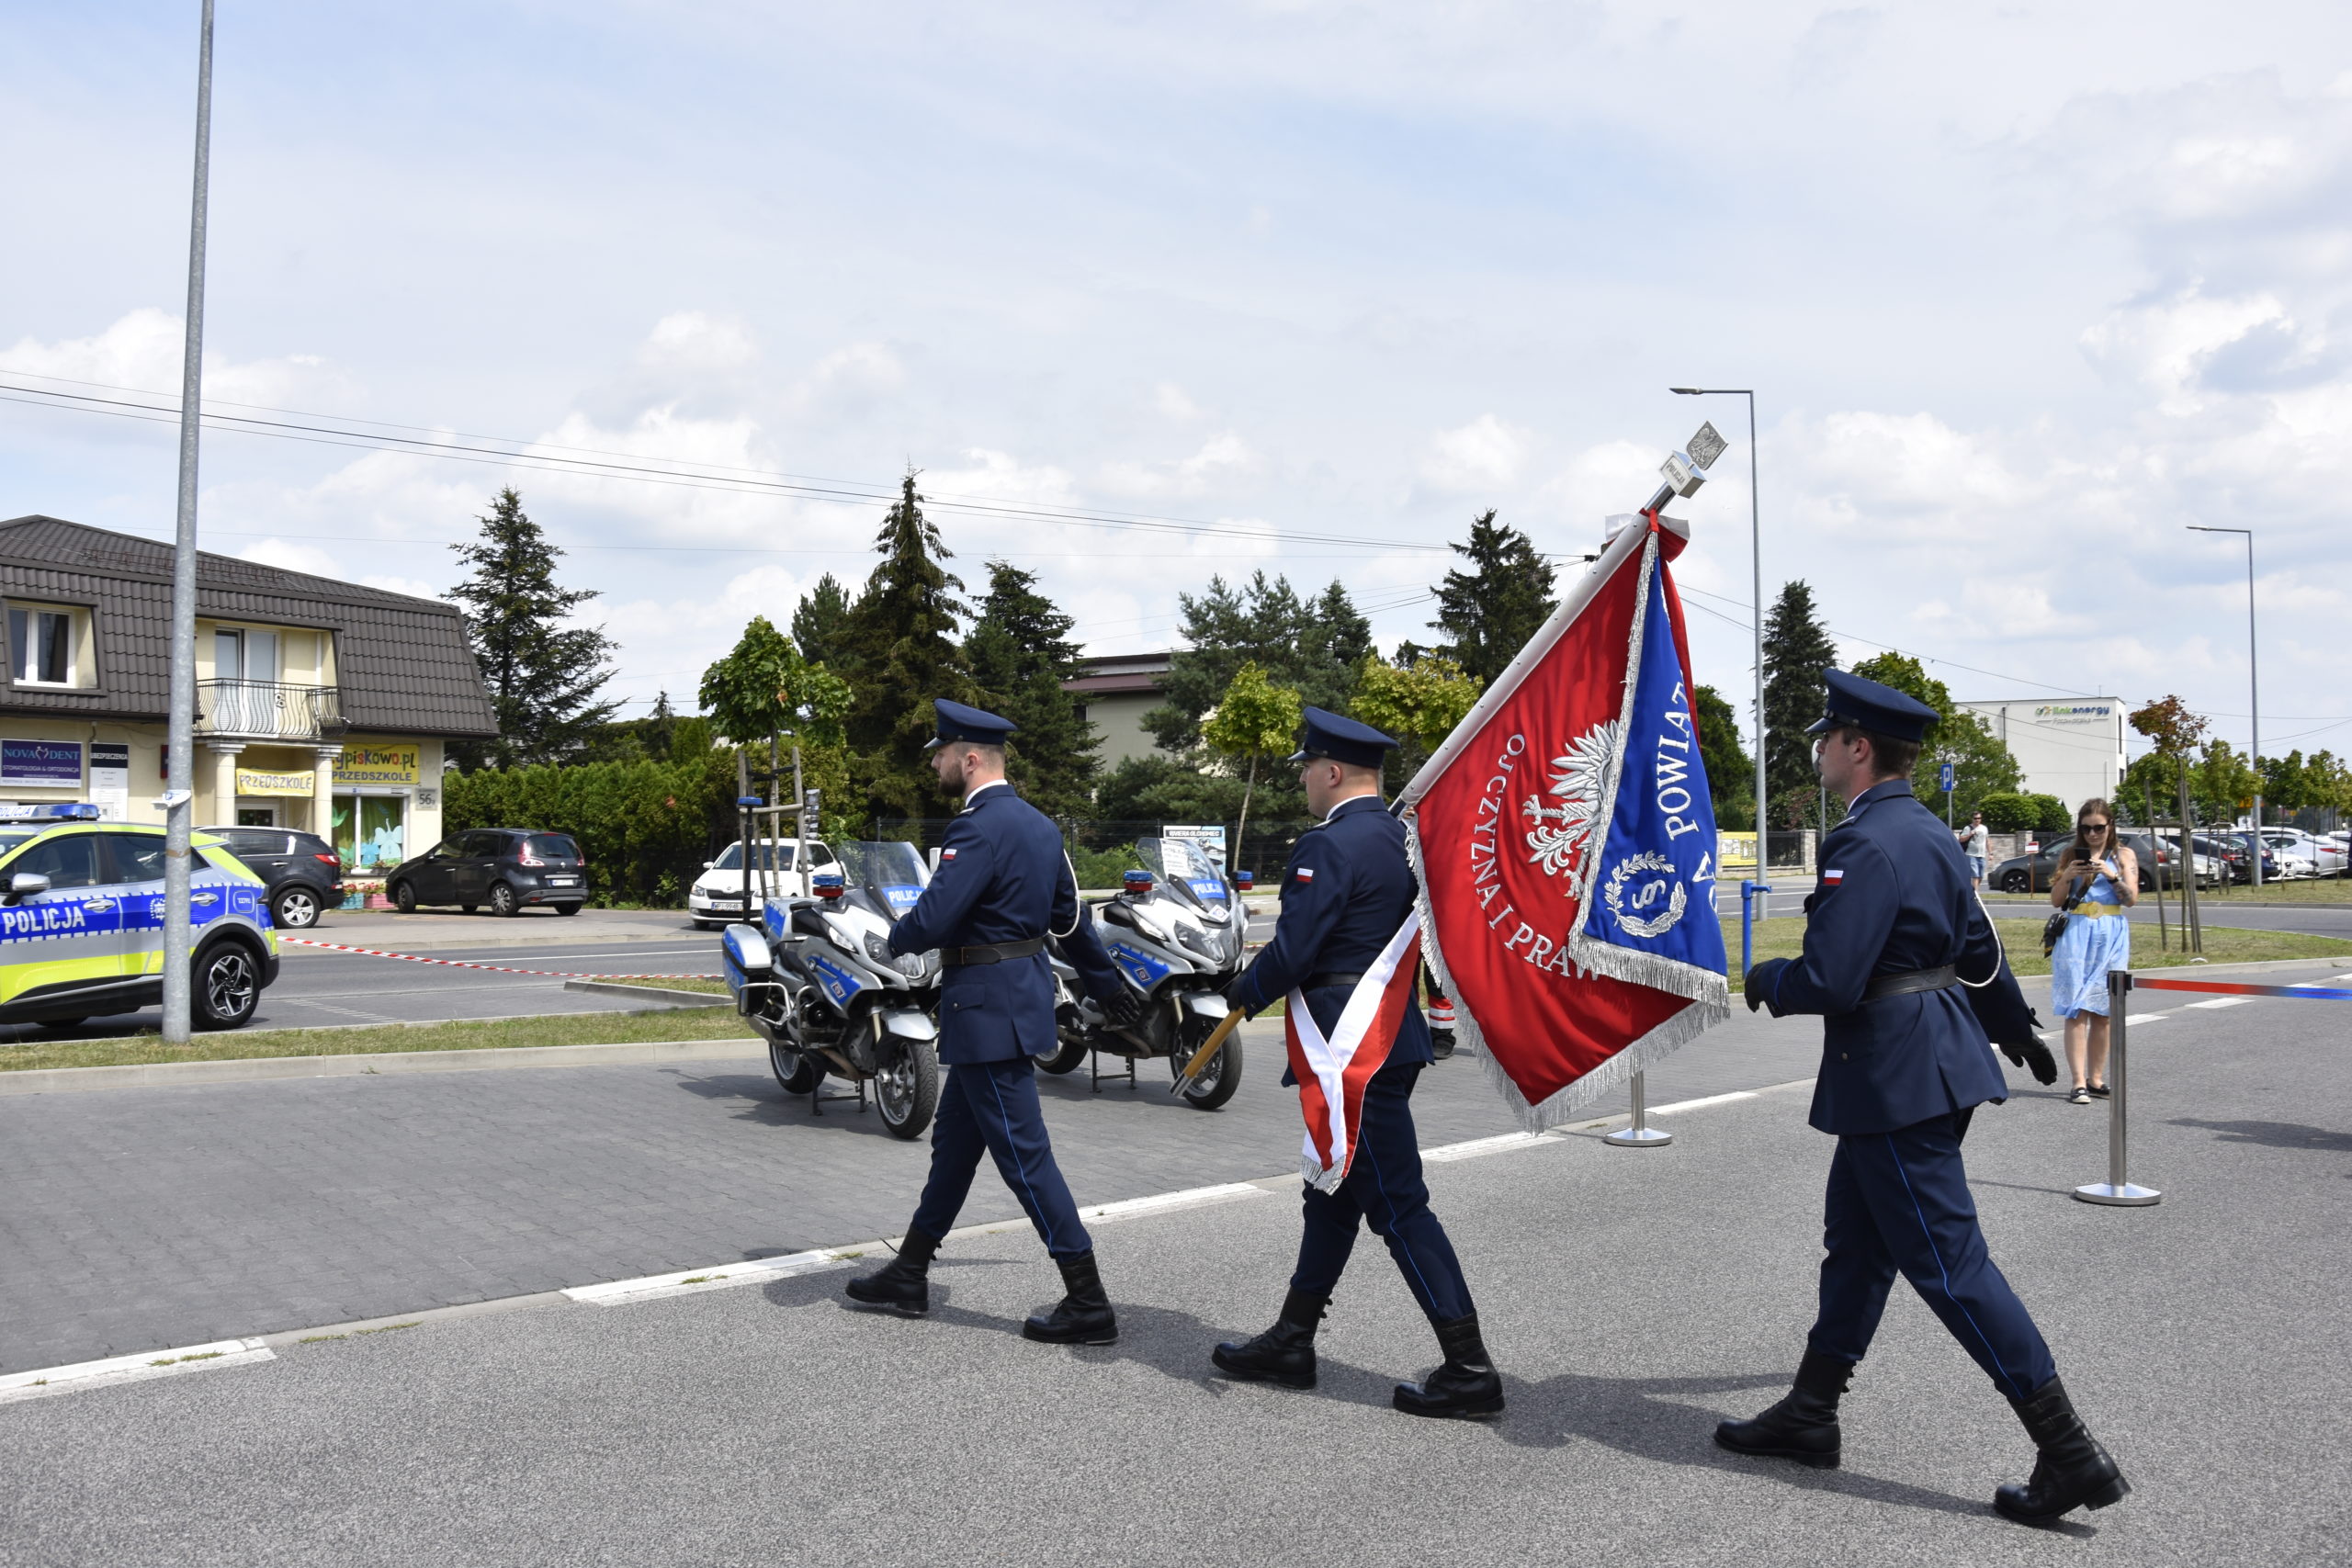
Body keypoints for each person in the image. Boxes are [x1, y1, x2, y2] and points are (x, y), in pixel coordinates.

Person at [1727, 670, 2127, 1526]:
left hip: (1894, 1077)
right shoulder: (1932, 832)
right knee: (1857, 1245)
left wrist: (1768, 978)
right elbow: (1977, 948)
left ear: (1858, 747)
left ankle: (2068, 1450)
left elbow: (1833, 978)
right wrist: (2013, 1028)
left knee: (1950, 1265)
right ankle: (1811, 1408)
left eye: (1829, 737)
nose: (1821, 749)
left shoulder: (1864, 841)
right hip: (1931, 1061)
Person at [1208, 707, 1502, 1419]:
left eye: (1308, 767)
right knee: (1331, 1192)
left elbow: (1295, 950)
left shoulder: (1329, 843)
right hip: (1389, 1036)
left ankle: (1469, 1366)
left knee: (1400, 1206)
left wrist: (1243, 989)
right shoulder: (1404, 839)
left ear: (1333, 771)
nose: (1303, 780)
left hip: (1352, 1051)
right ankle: (1293, 1338)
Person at [844, 699, 1145, 1342]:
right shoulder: (1040, 827)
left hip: (986, 1014)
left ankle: (1088, 1298)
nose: (935, 764)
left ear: (971, 758)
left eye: (942, 754)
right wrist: (1104, 980)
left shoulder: (974, 829)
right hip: (1011, 1005)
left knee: (1026, 1159)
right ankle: (910, 1271)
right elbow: (1069, 921)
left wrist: (891, 938)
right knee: (954, 1151)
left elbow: (936, 916)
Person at [2049, 800, 2136, 1106]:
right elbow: (2056, 900)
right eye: (2086, 828)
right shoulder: (2070, 854)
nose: (2093, 834)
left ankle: (2096, 1079)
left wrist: (2111, 875)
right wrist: (2067, 876)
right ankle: (2077, 1083)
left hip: (2111, 934)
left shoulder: (2123, 855)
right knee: (2076, 1009)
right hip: (2077, 932)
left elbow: (2131, 899)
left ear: (2110, 825)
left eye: (2099, 827)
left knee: (2103, 1011)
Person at [1960, 810, 1990, 887]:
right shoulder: (1967, 828)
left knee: (1980, 876)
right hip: (1971, 855)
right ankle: (1976, 893)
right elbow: (1961, 839)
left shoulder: (1984, 828)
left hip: (1982, 855)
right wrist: (1970, 834)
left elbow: (1987, 841)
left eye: (1979, 818)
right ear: (1972, 819)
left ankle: (1973, 891)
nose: (1977, 820)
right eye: (1975, 818)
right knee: (1975, 875)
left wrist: (1991, 853)